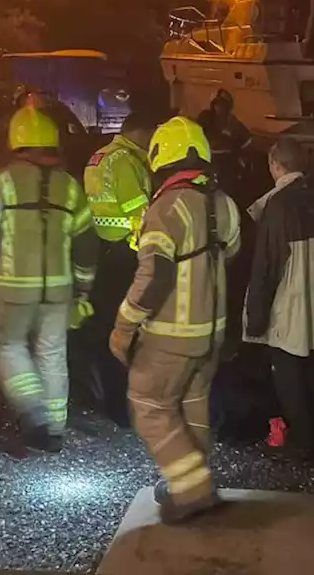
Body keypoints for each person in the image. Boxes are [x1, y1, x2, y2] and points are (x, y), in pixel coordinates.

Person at [109, 116, 241, 524]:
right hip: (212, 332)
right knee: (193, 404)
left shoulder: (166, 207)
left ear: (159, 159)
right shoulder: (224, 203)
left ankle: (192, 490)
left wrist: (123, 326)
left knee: (149, 405)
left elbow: (154, 275)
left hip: (171, 335)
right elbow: (233, 253)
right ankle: (193, 477)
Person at [0, 107, 98, 452]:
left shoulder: (2, 183)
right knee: (52, 353)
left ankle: (34, 412)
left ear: (15, 143)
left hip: (13, 289)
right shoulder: (70, 186)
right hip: (60, 290)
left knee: (6, 346)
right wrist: (83, 285)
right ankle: (55, 429)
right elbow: (86, 242)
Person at [242, 137, 314, 464]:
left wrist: (255, 316)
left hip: (290, 300)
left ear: (275, 165)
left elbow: (267, 265)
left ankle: (303, 444)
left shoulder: (278, 205)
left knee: (287, 372)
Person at [81, 110, 160, 425]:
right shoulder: (127, 161)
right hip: (125, 257)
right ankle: (126, 408)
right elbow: (141, 216)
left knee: (105, 330)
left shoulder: (99, 157)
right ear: (140, 132)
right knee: (129, 331)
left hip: (101, 253)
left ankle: (110, 403)